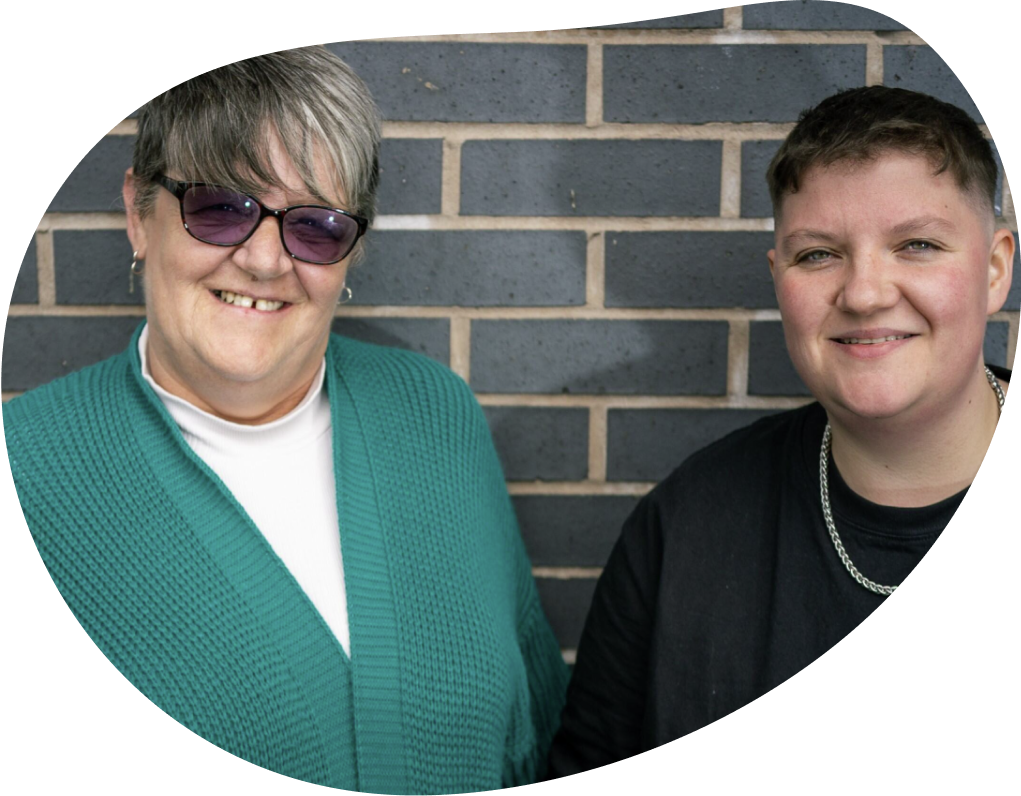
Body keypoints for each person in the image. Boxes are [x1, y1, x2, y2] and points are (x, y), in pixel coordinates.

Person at [5, 49, 568, 792]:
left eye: (315, 226)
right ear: (139, 214)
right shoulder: (32, 467)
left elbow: (528, 729)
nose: (266, 260)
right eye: (219, 207)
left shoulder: (436, 418)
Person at [545, 86, 1013, 775]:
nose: (863, 292)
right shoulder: (685, 527)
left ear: (995, 267)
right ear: (778, 277)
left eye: (915, 244)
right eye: (818, 254)